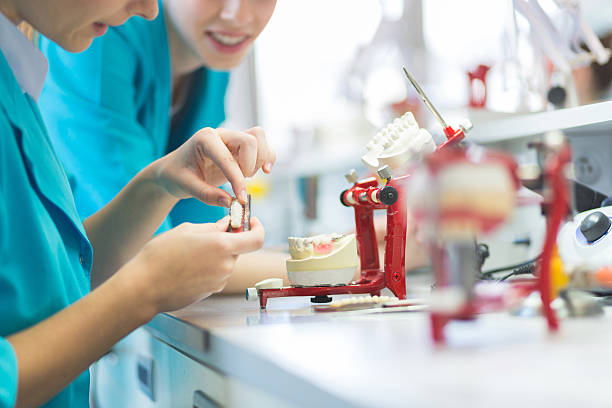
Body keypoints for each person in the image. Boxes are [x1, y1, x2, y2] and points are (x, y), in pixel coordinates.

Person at [0, 0, 273, 405]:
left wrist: (156, 188)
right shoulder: (78, 60)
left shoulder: (16, 74)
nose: (149, 10)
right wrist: (142, 290)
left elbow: (52, 277)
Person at [38, 0, 287, 293]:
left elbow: (205, 243)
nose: (237, 15)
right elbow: (155, 259)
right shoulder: (98, 30)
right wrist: (330, 264)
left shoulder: (210, 50)